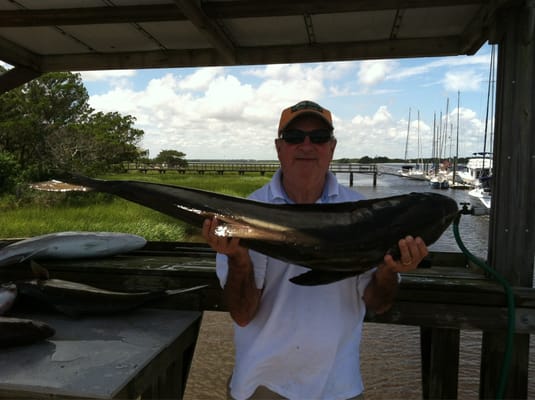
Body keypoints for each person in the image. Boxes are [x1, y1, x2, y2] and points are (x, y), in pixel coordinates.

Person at [202, 100, 428, 400]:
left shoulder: (363, 213)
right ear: (279, 147)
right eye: (295, 137)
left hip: (339, 385)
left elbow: (377, 303)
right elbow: (243, 315)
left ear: (332, 148)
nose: (306, 145)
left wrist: (389, 269)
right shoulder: (246, 216)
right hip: (261, 385)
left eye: (319, 138)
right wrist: (238, 259)